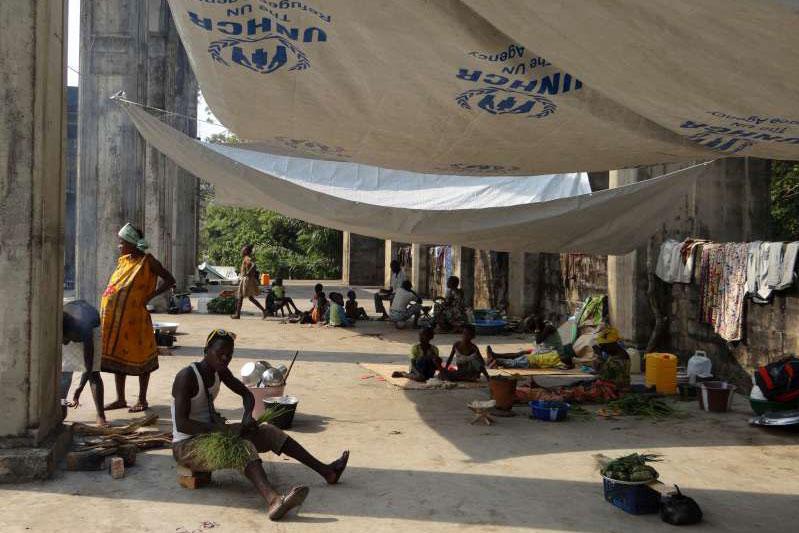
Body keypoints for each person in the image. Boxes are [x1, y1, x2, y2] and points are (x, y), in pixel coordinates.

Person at [171, 329, 349, 521]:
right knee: (242, 447)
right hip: (186, 446)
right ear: (206, 350)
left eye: (229, 355)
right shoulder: (186, 376)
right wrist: (224, 430)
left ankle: (328, 472)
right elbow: (182, 424)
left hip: (212, 433)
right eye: (220, 353)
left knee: (269, 432)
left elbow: (246, 394)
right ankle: (274, 501)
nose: (225, 358)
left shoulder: (219, 371)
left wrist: (247, 416)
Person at [102, 223, 176, 413]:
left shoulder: (148, 261)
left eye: (122, 242)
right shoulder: (124, 261)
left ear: (132, 243)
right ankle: (120, 398)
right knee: (119, 358)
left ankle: (142, 399)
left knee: (142, 357)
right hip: (118, 321)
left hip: (137, 320)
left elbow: (170, 280)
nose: (119, 245)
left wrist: (151, 296)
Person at [61, 300, 107, 427]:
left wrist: (80, 388)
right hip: (70, 321)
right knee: (64, 373)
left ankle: (100, 415)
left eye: (69, 339)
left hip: (90, 325)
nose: (65, 343)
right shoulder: (59, 323)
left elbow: (89, 364)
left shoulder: (87, 331)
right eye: (64, 339)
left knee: (94, 374)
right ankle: (61, 408)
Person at [486, 317, 573, 369]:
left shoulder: (548, 328)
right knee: (521, 353)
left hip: (552, 354)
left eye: (532, 329)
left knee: (524, 359)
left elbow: (538, 340)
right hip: (546, 351)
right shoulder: (544, 327)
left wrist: (537, 328)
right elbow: (539, 343)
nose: (533, 332)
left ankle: (498, 361)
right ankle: (495, 356)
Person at [232, 244, 267, 320]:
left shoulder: (247, 258)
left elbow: (253, 265)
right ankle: (264, 311)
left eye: (243, 250)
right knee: (249, 298)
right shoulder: (246, 258)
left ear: (246, 251)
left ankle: (237, 314)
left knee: (241, 296)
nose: (241, 251)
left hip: (246, 280)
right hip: (248, 279)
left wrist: (248, 272)